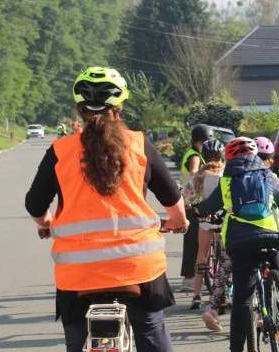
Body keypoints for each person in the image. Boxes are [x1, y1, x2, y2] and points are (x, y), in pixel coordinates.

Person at [25, 66, 190, 352]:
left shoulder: (60, 151)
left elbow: (34, 204)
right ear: (120, 106)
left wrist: (45, 222)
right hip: (138, 270)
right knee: (151, 331)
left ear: (79, 110)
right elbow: (172, 199)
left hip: (78, 274)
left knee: (76, 341)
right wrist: (178, 221)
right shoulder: (139, 145)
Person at [195, 137, 279, 352]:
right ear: (254, 156)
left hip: (241, 240)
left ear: (229, 158)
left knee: (242, 300)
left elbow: (207, 207)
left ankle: (236, 349)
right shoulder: (268, 175)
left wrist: (195, 210)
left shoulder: (226, 181)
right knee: (275, 248)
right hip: (270, 235)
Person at [183, 139, 226, 312]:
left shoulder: (198, 176)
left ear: (203, 156)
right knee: (225, 257)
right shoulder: (225, 175)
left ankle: (197, 296)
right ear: (222, 156)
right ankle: (223, 293)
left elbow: (187, 198)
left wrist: (190, 205)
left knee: (201, 256)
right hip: (223, 220)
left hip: (205, 221)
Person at [180, 124, 216, 290]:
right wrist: (199, 181)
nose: (207, 146)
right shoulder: (194, 156)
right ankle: (188, 279)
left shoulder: (193, 153)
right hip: (192, 201)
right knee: (193, 241)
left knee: (194, 240)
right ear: (197, 142)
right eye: (205, 143)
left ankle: (194, 276)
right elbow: (194, 172)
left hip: (191, 199)